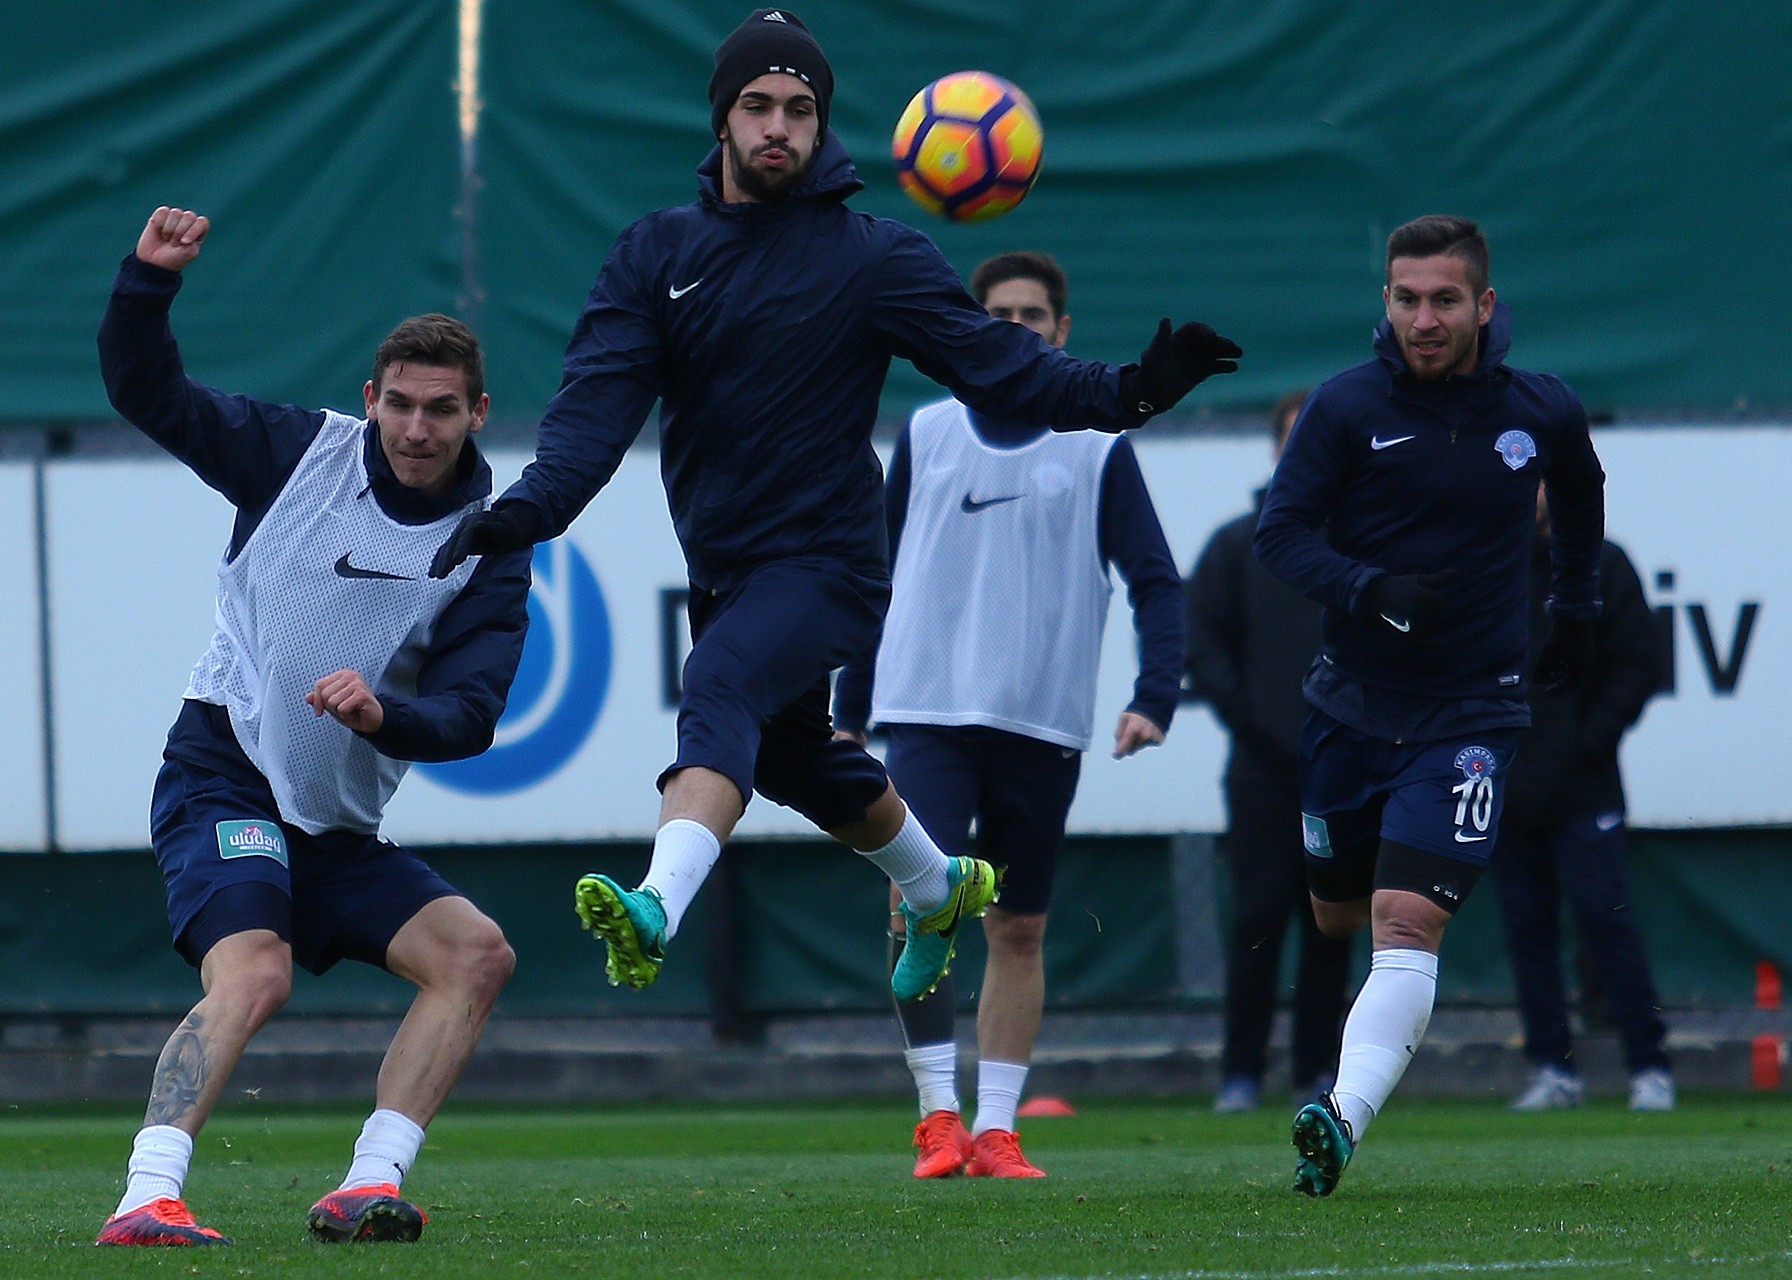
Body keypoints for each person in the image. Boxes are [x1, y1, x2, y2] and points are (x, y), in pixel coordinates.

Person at [428, 10, 1239, 1009]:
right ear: (722, 118)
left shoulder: (874, 258)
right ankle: (937, 888)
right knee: (794, 761)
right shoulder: (654, 254)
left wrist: (1136, 392)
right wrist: (527, 510)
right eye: (757, 104)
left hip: (832, 564)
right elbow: (594, 414)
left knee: (718, 682)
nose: (778, 125)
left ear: (822, 125)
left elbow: (1008, 372)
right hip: (728, 569)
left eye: (800, 108)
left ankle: (655, 905)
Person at [93, 206, 531, 1246]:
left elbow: (471, 714)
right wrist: (148, 282)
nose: (417, 429)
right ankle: (146, 1193)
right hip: (227, 771)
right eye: (401, 404)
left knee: (477, 955)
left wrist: (386, 714)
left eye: (442, 409)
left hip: (334, 825)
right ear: (370, 399)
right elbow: (147, 391)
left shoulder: (489, 540)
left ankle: (368, 1184)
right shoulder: (297, 454)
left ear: (478, 413)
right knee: (258, 968)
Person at [1252, 214, 1605, 1196]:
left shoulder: (1541, 408)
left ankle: (1341, 1117)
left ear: (1484, 305)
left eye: (1445, 299)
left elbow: (1581, 495)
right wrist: (1369, 588)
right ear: (1386, 301)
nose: (1425, 319)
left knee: (1405, 920)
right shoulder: (1345, 406)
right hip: (1349, 709)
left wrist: (1575, 607)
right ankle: (1340, 1092)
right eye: (1407, 299)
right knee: (1336, 915)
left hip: (1472, 715)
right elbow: (1280, 534)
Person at [830, 251, 1185, 1179]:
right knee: (922, 905)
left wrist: (1154, 696)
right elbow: (874, 575)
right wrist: (850, 709)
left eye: (1033, 316)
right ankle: (937, 1116)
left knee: (1019, 928)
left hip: (1043, 722)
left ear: (1062, 332)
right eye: (1000, 316)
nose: (1018, 329)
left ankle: (997, 1128)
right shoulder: (928, 431)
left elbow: (1155, 580)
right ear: (972, 329)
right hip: (928, 713)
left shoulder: (1099, 446)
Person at [1188, 390, 1352, 1114]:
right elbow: (1204, 646)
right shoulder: (1235, 546)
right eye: (1292, 437)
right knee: (1256, 922)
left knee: (1332, 926)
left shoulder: (1360, 549)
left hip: (1344, 776)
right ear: (1274, 449)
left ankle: (1319, 1071)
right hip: (1260, 775)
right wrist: (1257, 724)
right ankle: (1241, 1075)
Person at [1494, 484, 1672, 1112]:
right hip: (1508, 783)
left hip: (1584, 785)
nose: (1535, 488)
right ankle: (1552, 1069)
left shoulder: (1603, 563)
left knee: (1606, 919)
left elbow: (1640, 663)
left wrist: (1585, 741)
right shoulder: (1490, 562)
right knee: (1527, 930)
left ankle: (1649, 1065)